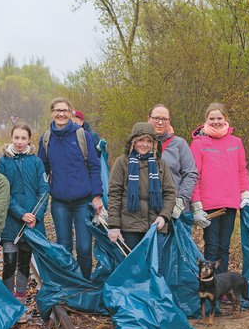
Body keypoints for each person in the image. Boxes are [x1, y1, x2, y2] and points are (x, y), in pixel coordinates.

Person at [38, 97, 104, 279]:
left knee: (84, 247)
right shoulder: (46, 139)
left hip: (83, 201)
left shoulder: (82, 136)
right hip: (59, 202)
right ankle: (69, 284)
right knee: (63, 247)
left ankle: (84, 283)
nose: (60, 114)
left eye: (64, 110)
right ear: (52, 113)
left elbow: (94, 166)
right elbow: (42, 169)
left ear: (70, 113)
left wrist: (97, 195)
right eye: (57, 110)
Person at [190, 102, 249, 274]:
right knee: (211, 246)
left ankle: (222, 287)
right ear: (205, 120)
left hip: (230, 203)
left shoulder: (236, 142)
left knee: (224, 246)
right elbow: (194, 175)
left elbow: (241, 170)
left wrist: (245, 193)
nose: (216, 121)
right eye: (212, 118)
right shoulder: (198, 144)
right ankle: (211, 288)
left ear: (226, 119)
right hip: (209, 204)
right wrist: (196, 205)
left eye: (219, 118)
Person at [0, 124, 49, 323]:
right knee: (9, 261)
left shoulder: (36, 162)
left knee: (24, 263)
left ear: (29, 140)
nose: (19, 142)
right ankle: (7, 302)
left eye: (23, 138)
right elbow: (3, 193)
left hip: (31, 224)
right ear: (11, 138)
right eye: (16, 138)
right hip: (11, 223)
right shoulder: (3, 162)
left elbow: (44, 190)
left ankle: (19, 302)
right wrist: (21, 214)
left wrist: (35, 214)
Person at [106, 122, 176, 270]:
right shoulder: (122, 163)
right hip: (129, 227)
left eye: (149, 141)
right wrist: (114, 226)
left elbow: (170, 194)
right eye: (140, 140)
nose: (144, 144)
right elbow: (114, 195)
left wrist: (163, 216)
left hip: (155, 226)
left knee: (154, 269)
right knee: (130, 271)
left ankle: (152, 294)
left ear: (154, 143)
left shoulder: (161, 165)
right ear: (133, 141)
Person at [147, 104, 198, 220]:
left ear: (169, 121)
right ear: (149, 119)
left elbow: (191, 174)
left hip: (175, 208)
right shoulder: (140, 144)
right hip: (147, 209)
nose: (160, 122)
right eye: (156, 118)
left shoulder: (179, 144)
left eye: (164, 119)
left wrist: (181, 200)